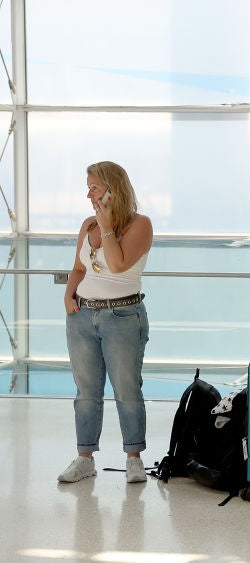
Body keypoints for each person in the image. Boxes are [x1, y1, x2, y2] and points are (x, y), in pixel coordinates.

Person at [58, 161, 153, 484]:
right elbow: (80, 268)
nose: (89, 194)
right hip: (82, 316)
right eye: (89, 187)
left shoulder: (140, 225)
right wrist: (68, 297)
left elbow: (117, 263)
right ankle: (85, 458)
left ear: (114, 190)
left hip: (123, 317)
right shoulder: (87, 226)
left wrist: (108, 224)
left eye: (95, 188)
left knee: (127, 389)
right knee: (86, 392)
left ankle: (134, 458)